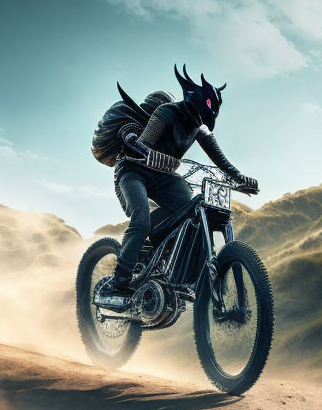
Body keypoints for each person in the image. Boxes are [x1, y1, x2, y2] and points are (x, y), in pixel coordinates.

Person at [102, 65, 258, 299]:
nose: (200, 122)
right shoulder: (166, 112)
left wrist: (239, 178)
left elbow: (220, 159)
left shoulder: (197, 127)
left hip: (163, 176)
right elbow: (143, 143)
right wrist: (149, 154)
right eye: (200, 116)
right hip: (133, 171)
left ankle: (164, 260)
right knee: (141, 220)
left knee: (191, 208)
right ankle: (119, 280)